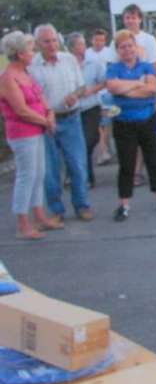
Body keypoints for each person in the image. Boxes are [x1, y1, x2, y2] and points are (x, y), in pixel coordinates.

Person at [105, 29, 156, 221]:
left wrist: (125, 87)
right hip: (123, 121)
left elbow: (151, 89)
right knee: (126, 164)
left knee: (154, 161)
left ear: (135, 47)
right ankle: (123, 204)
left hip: (147, 118)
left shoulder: (146, 66)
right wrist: (137, 83)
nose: (127, 50)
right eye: (122, 47)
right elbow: (112, 87)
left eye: (129, 45)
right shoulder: (113, 68)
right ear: (117, 50)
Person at [0, 31, 62, 239]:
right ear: (19, 53)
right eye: (30, 49)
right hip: (22, 133)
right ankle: (22, 223)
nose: (33, 53)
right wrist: (46, 120)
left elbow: (39, 96)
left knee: (39, 174)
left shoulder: (25, 73)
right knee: (26, 176)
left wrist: (50, 113)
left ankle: (39, 215)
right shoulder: (8, 77)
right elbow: (21, 109)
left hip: (36, 130)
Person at [29, 24, 92, 222]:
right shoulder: (31, 66)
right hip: (46, 124)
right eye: (46, 41)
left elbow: (82, 87)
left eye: (54, 40)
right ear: (38, 44)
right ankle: (57, 210)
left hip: (71, 118)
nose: (52, 45)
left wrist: (75, 95)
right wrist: (46, 115)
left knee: (77, 165)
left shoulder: (69, 59)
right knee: (50, 171)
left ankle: (82, 205)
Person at [66, 33, 106, 189]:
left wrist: (92, 89)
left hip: (91, 106)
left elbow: (104, 81)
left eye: (83, 44)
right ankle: (87, 177)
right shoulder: (66, 64)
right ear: (72, 47)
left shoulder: (94, 62)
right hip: (74, 108)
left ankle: (78, 173)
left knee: (90, 140)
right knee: (77, 143)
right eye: (79, 44)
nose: (83, 47)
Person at [85, 29, 115, 166]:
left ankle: (105, 148)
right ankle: (103, 151)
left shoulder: (109, 52)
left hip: (107, 92)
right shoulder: (87, 54)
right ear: (92, 40)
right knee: (98, 123)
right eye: (97, 40)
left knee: (107, 121)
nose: (99, 42)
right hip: (94, 93)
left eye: (102, 40)